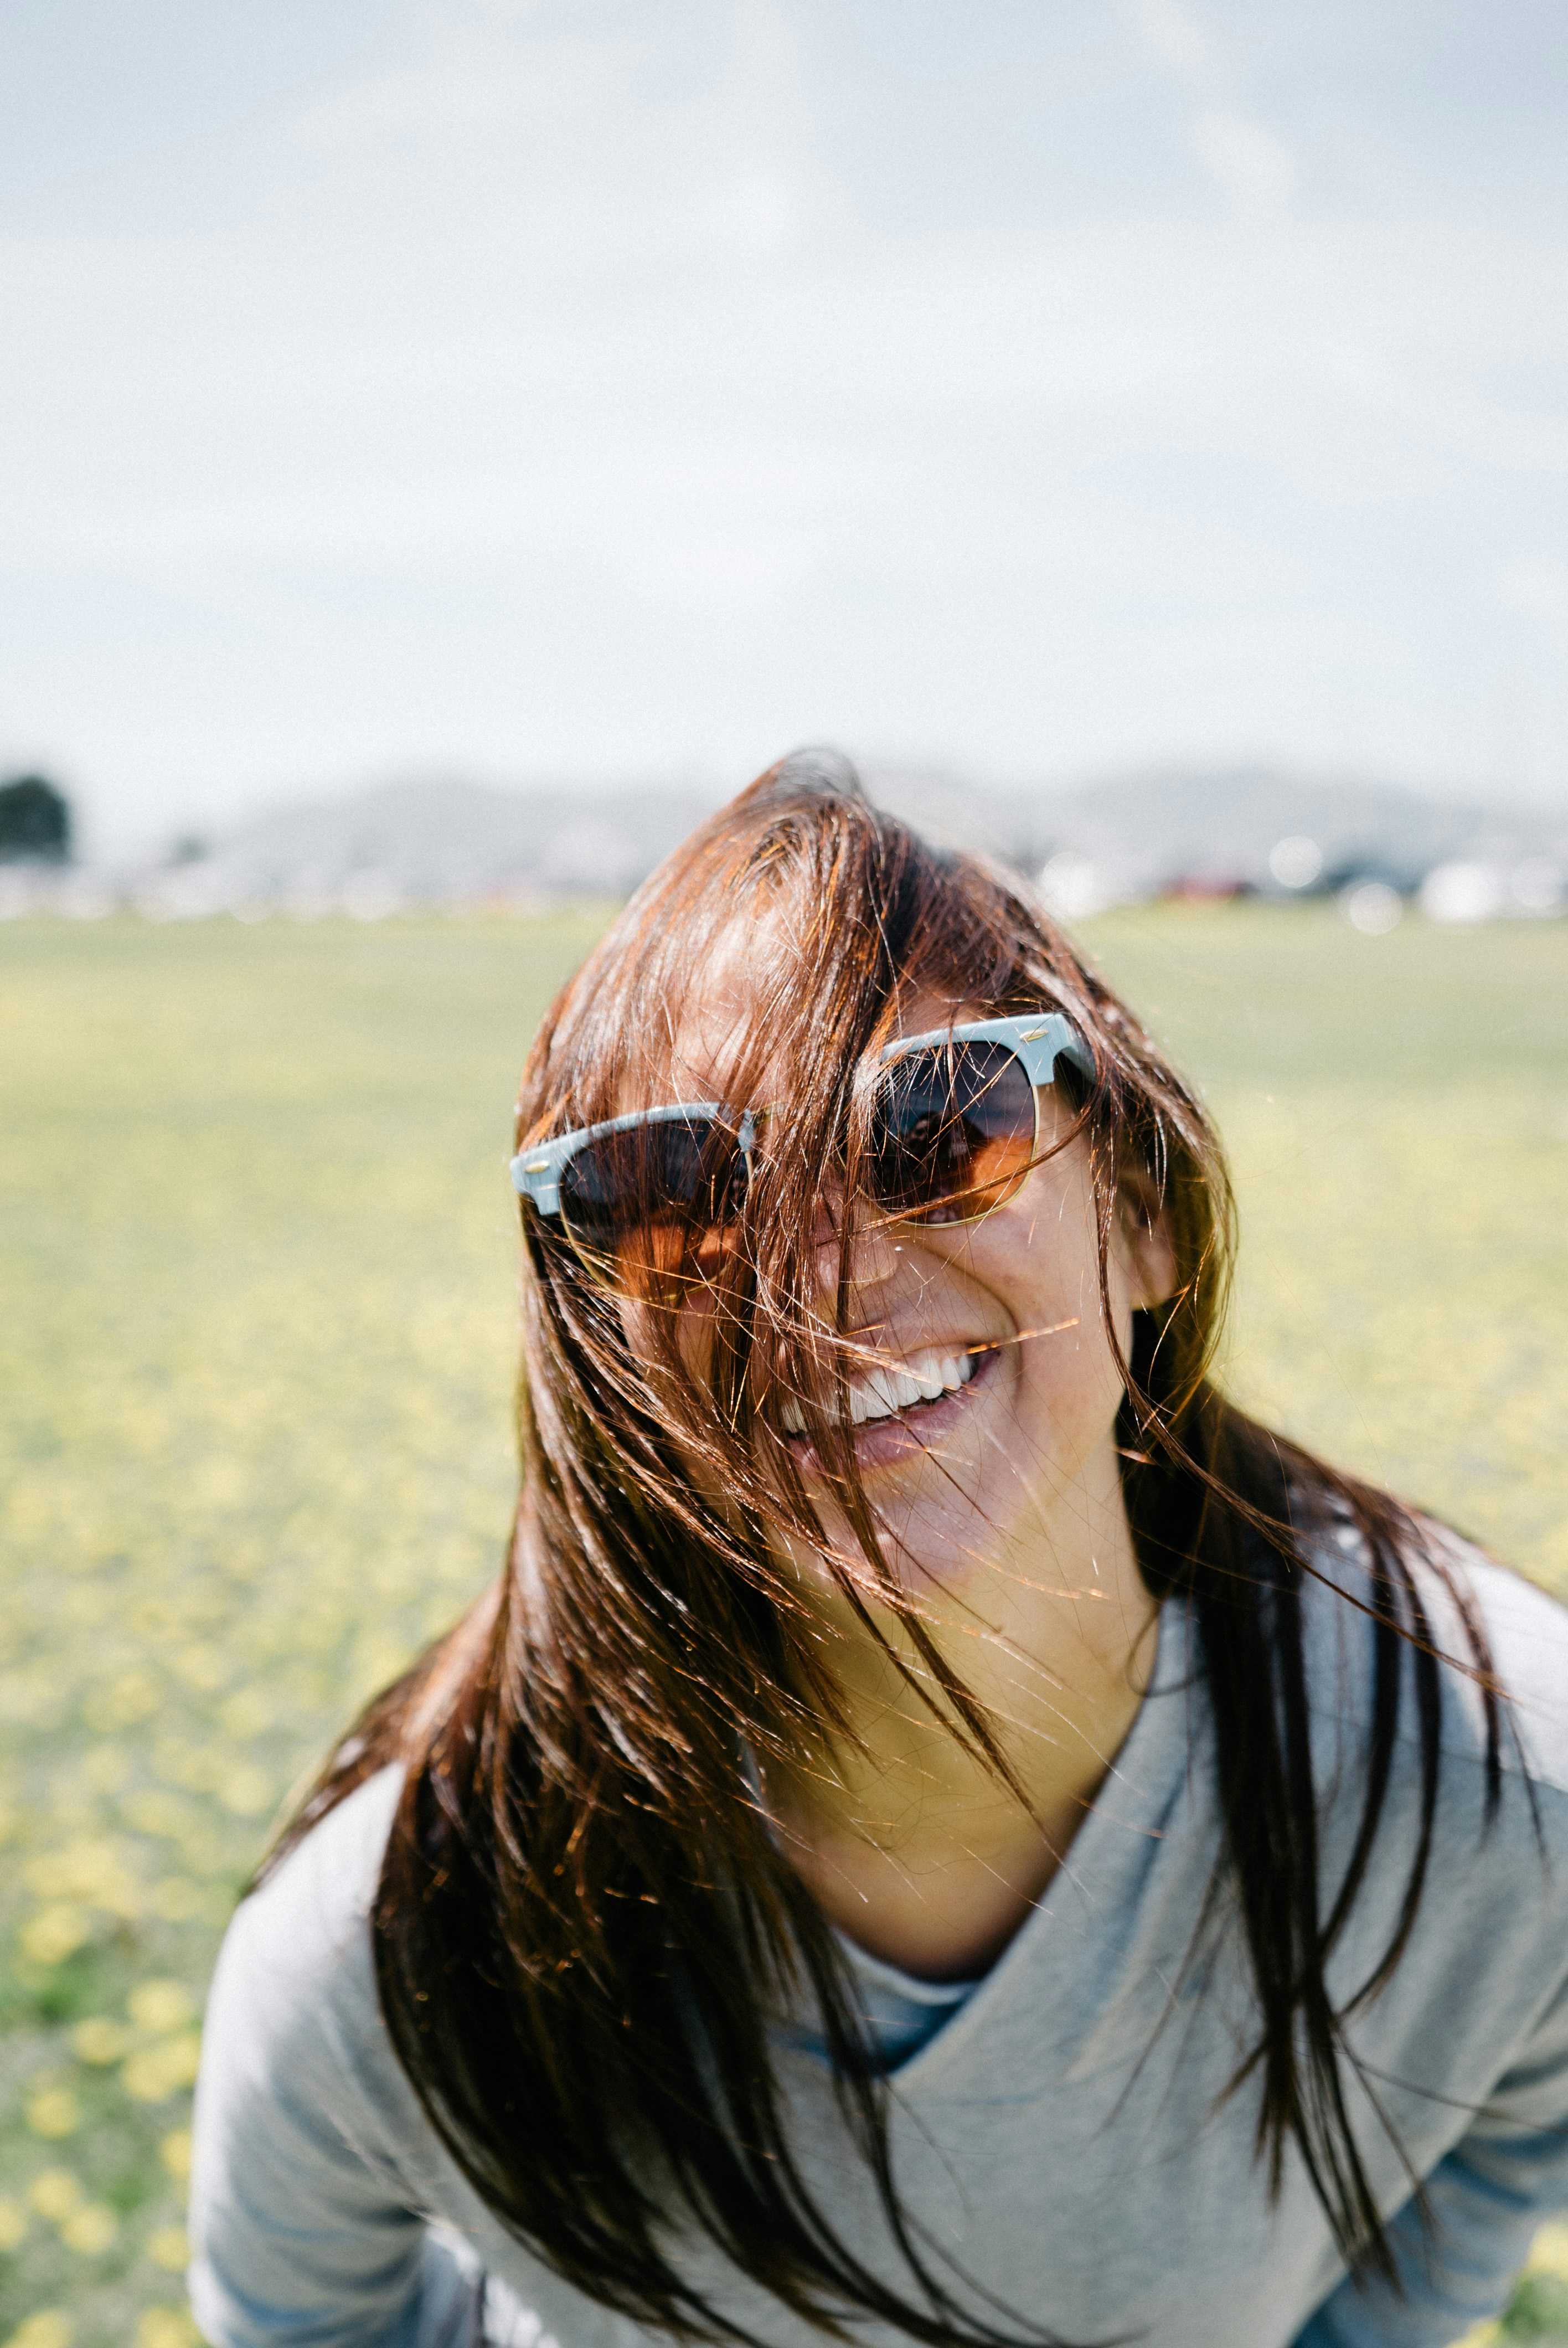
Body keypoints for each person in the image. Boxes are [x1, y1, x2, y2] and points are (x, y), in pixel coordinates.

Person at [190, 752, 1568, 2348]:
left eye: (939, 1125)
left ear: (1146, 1216)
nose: (817, 1279)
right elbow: (296, 2317)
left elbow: (1511, 2130)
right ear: (599, 1342)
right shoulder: (414, 1936)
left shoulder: (1508, 1793)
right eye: (672, 1190)